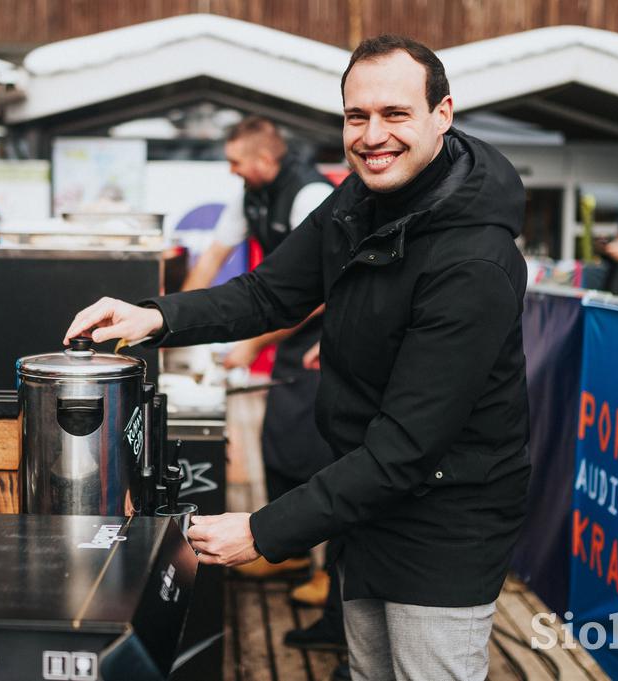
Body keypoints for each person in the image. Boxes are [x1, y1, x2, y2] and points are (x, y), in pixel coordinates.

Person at [65, 35, 530, 681]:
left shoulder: (475, 261)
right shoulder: (357, 201)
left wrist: (262, 530)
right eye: (356, 116)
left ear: (442, 114)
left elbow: (407, 447)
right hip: (368, 497)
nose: (372, 135)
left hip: (445, 519)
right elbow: (268, 293)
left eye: (395, 114)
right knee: (369, 672)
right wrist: (157, 316)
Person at [184, 116, 344, 652]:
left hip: (325, 337)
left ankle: (329, 573)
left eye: (235, 161)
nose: (231, 170)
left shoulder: (309, 195)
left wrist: (254, 345)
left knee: (319, 453)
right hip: (290, 340)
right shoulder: (250, 195)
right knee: (278, 440)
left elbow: (318, 291)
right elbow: (209, 258)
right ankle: (292, 551)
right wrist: (175, 326)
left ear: (262, 160)